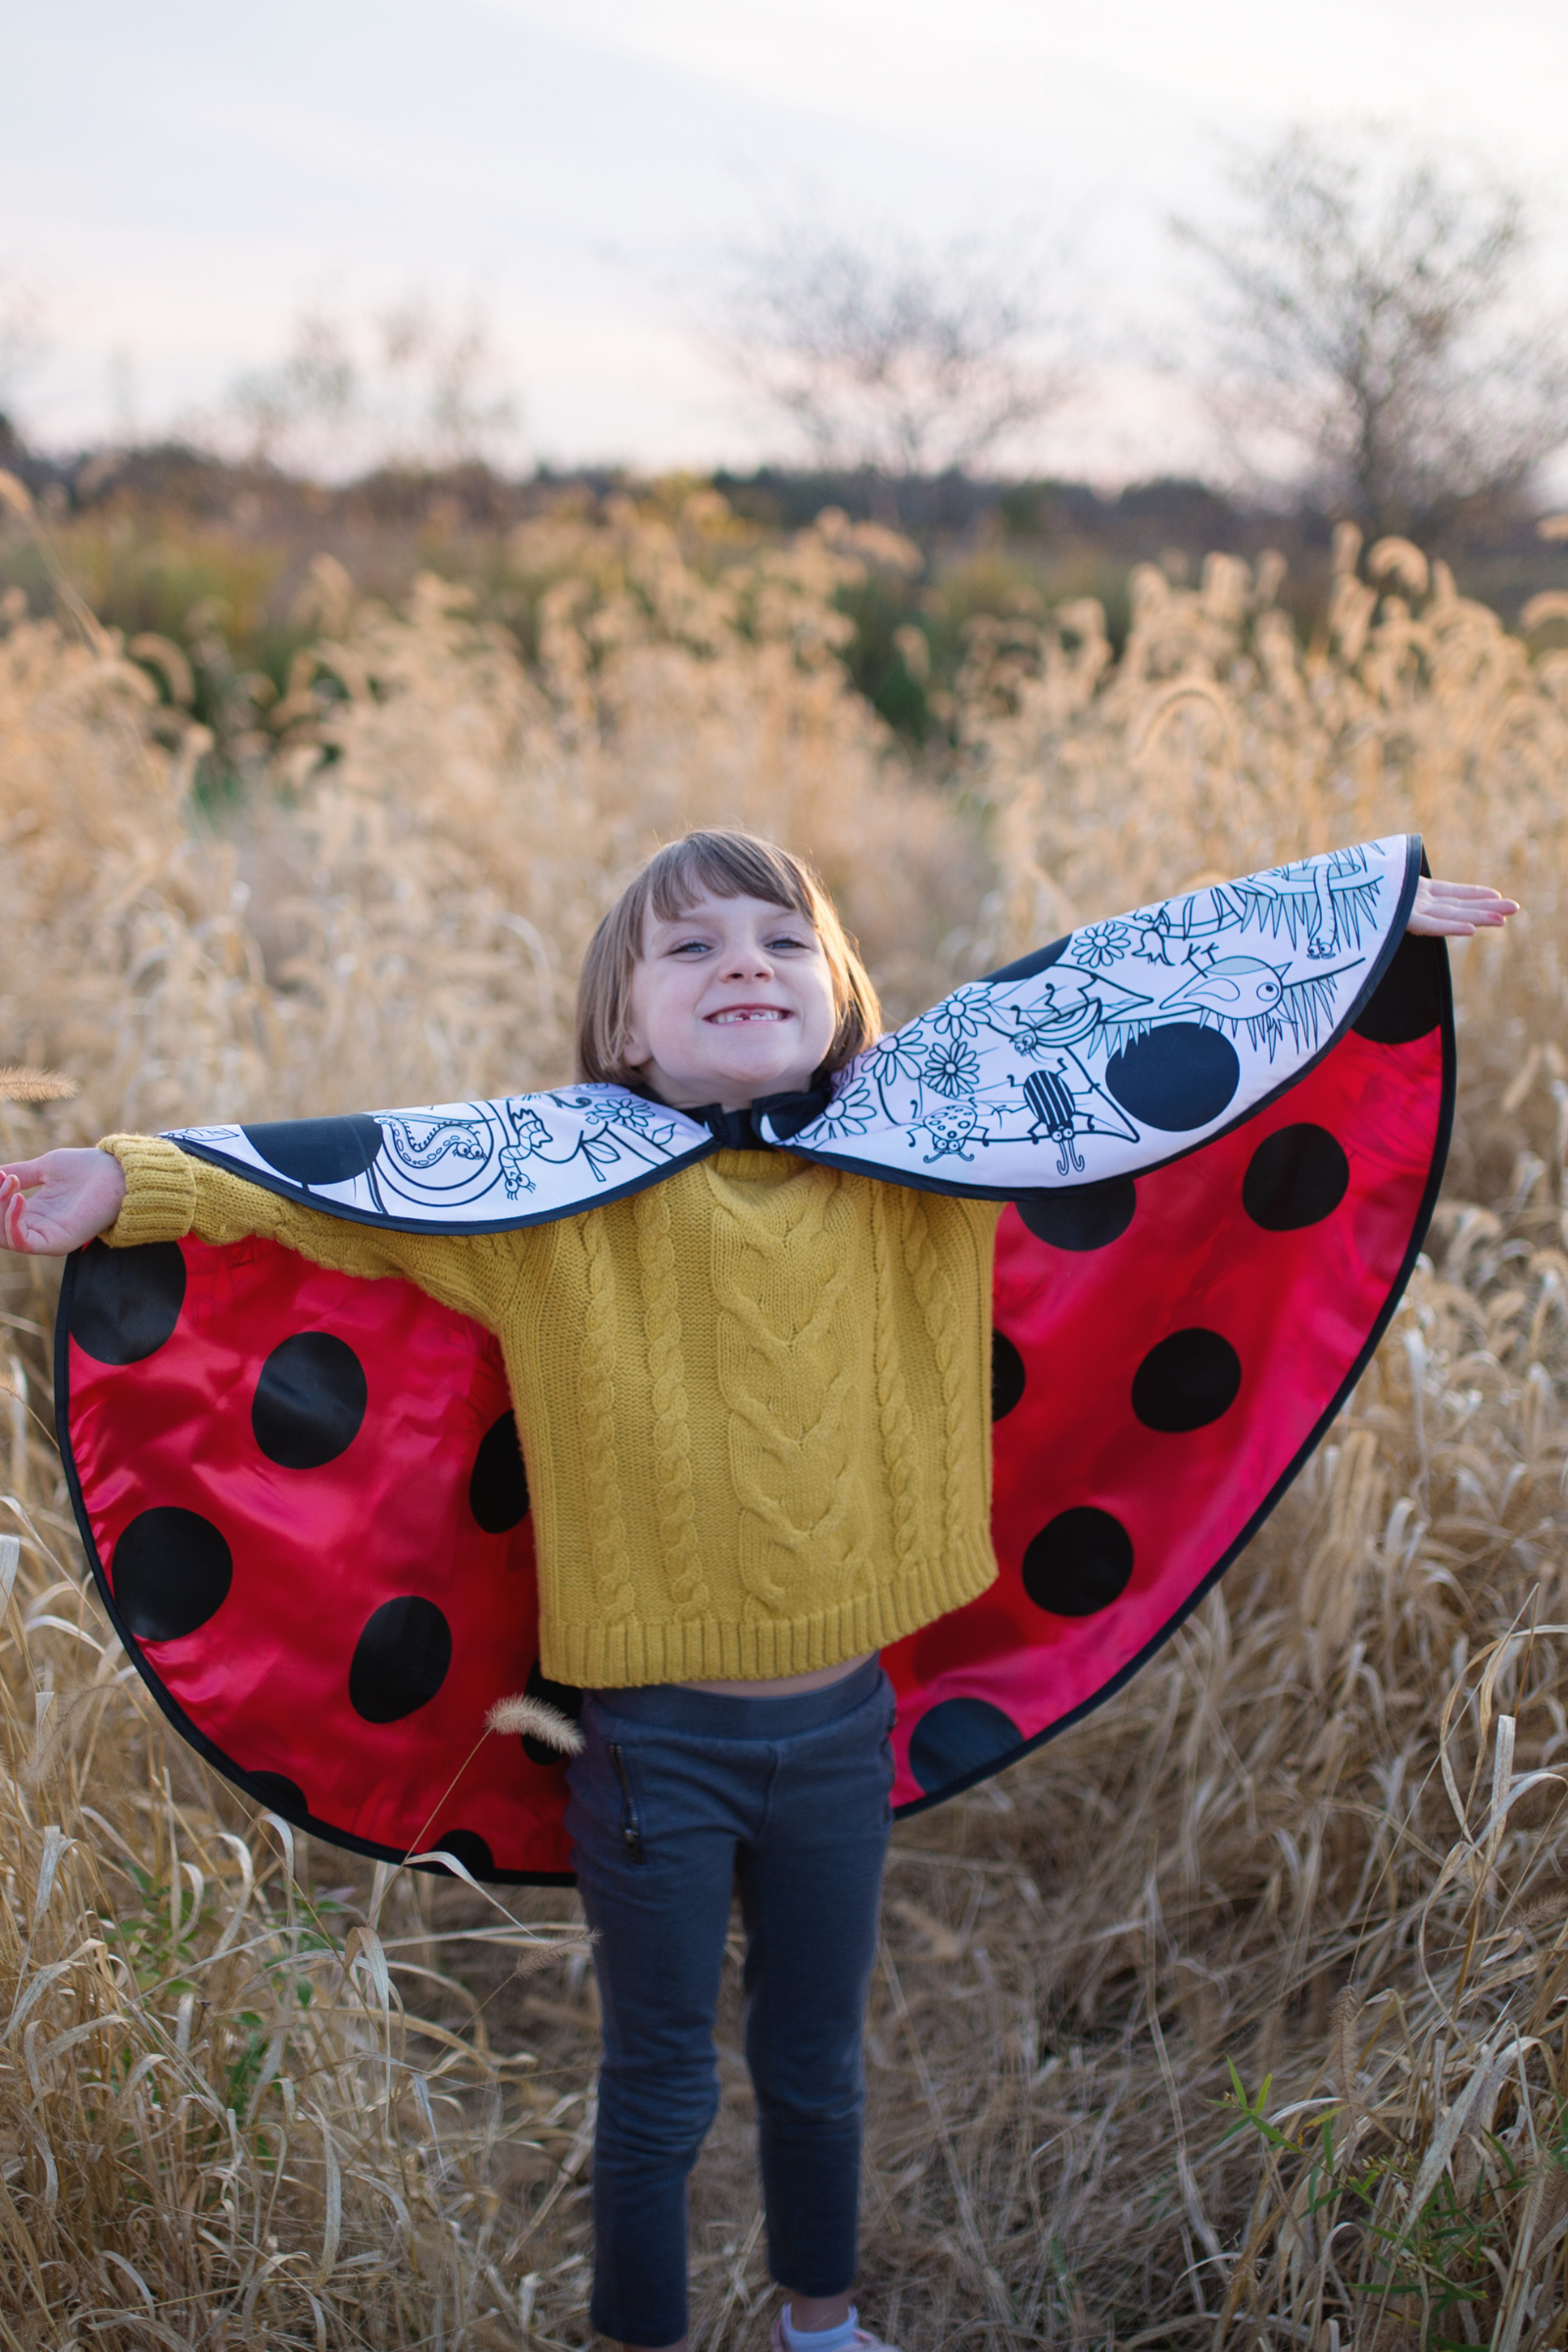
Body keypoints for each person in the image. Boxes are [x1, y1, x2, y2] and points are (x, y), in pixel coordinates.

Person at [0, 833, 1517, 2352]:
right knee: (657, 2075)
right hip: (651, 1749)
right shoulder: (553, 1201)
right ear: (619, 1030)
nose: (744, 962)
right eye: (691, 948)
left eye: (783, 941)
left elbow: (1112, 1009)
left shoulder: (931, 1145)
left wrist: (1351, 929)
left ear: (842, 992)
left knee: (816, 2057)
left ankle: (822, 2320)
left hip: (843, 1732)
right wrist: (122, 1181)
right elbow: (338, 1185)